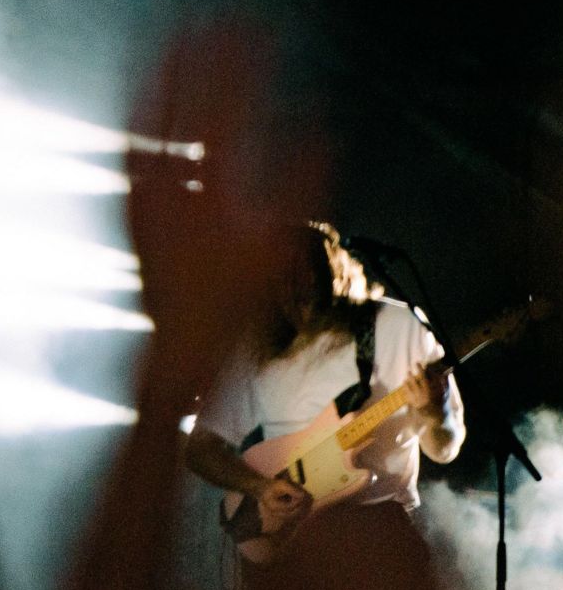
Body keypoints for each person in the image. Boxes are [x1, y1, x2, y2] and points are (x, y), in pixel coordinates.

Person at [184, 222, 464, 557]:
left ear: (337, 269)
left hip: (384, 534)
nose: (299, 285)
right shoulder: (256, 348)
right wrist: (259, 487)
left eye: (309, 270)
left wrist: (436, 414)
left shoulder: (398, 325)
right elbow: (200, 449)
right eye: (284, 275)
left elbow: (444, 450)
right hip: (298, 547)